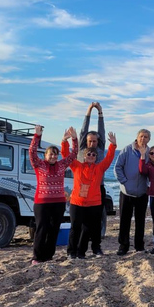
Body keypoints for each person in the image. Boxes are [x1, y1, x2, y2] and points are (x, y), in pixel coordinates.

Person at [28, 125, 78, 265]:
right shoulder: (39, 165)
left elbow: (74, 154)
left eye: (56, 154)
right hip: (42, 203)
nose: (54, 156)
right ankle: (37, 257)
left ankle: (48, 256)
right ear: (45, 155)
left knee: (54, 229)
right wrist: (36, 136)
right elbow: (31, 152)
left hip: (58, 203)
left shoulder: (61, 165)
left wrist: (74, 138)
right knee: (41, 229)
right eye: (51, 154)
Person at [64, 130, 117, 259]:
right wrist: (65, 141)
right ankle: (72, 252)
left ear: (96, 157)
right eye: (89, 154)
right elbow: (66, 155)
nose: (91, 156)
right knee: (75, 228)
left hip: (93, 204)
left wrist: (113, 145)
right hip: (77, 202)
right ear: (84, 156)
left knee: (88, 229)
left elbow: (109, 158)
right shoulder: (76, 166)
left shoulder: (99, 168)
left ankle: (81, 252)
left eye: (93, 154)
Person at [114, 129, 151, 255]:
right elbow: (117, 167)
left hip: (142, 192)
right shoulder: (127, 150)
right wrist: (124, 182)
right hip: (126, 192)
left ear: (148, 139)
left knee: (140, 221)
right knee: (125, 220)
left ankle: (139, 246)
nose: (143, 139)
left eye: (146, 137)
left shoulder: (150, 152)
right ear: (137, 137)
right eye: (141, 136)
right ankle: (123, 246)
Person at [78, 102, 111, 240]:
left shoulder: (100, 150)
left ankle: (98, 236)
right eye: (90, 141)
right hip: (84, 187)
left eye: (94, 141)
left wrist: (100, 113)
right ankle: (83, 236)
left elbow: (101, 131)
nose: (92, 143)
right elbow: (83, 130)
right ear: (86, 141)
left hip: (98, 186)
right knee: (83, 214)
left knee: (98, 214)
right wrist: (88, 110)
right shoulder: (82, 150)